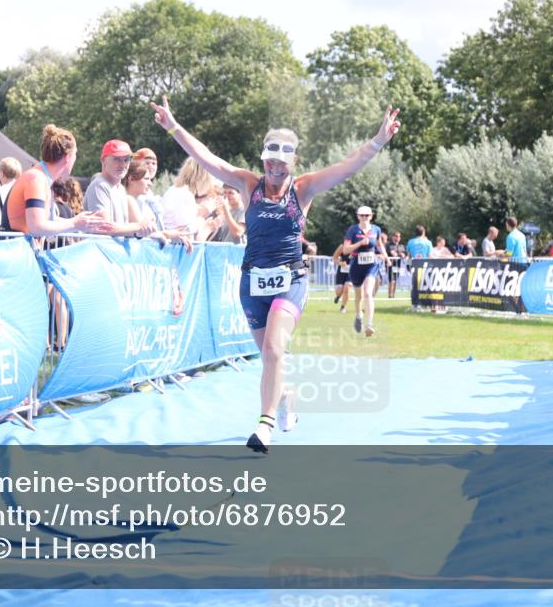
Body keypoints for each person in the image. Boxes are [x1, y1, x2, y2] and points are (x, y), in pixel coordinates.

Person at [151, 95, 400, 453]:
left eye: (283, 164)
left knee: (273, 348)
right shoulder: (247, 184)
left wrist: (378, 140)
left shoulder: (304, 188)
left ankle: (264, 426)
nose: (276, 170)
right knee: (271, 359)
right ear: (264, 161)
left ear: (292, 163)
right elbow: (207, 157)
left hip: (291, 280)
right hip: (252, 282)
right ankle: (285, 398)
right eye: (271, 163)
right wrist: (173, 125)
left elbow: (347, 166)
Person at [4, 124, 111, 235]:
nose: (75, 159)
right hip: (15, 249)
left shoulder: (42, 178)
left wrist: (85, 223)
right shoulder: (36, 179)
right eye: (75, 154)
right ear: (68, 157)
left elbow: (48, 222)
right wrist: (75, 223)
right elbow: (36, 227)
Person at [83, 139, 155, 236]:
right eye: (116, 159)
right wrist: (139, 227)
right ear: (103, 161)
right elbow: (104, 227)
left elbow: (124, 229)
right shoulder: (99, 185)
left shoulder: (120, 189)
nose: (123, 165)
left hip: (112, 250)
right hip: (100, 250)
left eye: (126, 160)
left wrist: (155, 233)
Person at [343, 206, 390, 338]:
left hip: (371, 264)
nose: (364, 218)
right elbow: (346, 250)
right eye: (362, 215)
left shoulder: (376, 229)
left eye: (367, 215)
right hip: (356, 264)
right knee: (359, 296)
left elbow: (379, 245)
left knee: (368, 293)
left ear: (371, 216)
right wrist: (359, 243)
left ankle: (369, 325)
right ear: (358, 216)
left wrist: (386, 258)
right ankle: (359, 315)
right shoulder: (352, 230)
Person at [163, 157, 217, 240]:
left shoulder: (176, 190)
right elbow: (186, 232)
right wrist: (203, 219)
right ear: (202, 177)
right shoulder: (184, 194)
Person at [331, 243, 352, 312]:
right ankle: (338, 296)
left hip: (352, 271)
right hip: (342, 270)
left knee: (347, 288)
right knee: (339, 290)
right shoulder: (342, 247)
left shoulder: (358, 247)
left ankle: (343, 307)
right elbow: (334, 258)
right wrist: (341, 263)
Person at [386, 230, 406, 298]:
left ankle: (393, 296)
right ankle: (390, 295)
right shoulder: (389, 244)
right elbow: (392, 253)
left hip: (398, 265)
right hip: (391, 265)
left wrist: (401, 254)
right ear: (393, 237)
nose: (398, 238)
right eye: (396, 236)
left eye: (399, 236)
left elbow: (404, 254)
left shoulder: (401, 246)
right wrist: (399, 254)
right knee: (392, 280)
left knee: (395, 280)